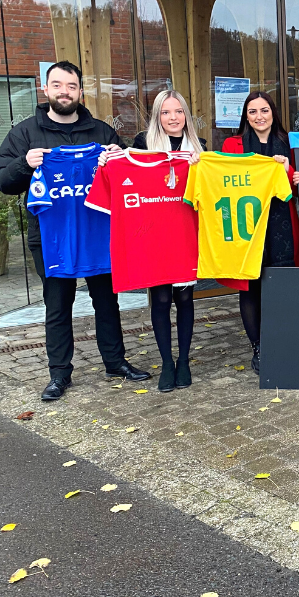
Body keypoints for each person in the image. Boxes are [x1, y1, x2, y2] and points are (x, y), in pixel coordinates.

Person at [0, 61, 149, 401]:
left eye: (71, 86)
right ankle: (59, 374)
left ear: (79, 91)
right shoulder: (25, 133)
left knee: (107, 300)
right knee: (57, 303)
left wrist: (118, 160)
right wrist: (24, 163)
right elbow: (1, 180)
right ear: (46, 90)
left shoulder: (102, 132)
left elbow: (125, 184)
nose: (64, 91)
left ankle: (115, 362)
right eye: (58, 85)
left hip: (98, 232)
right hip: (51, 236)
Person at [222, 92, 299, 373]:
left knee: (283, 286)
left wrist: (290, 172)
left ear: (273, 113)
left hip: (283, 225)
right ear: (245, 116)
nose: (259, 116)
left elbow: (294, 186)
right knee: (251, 286)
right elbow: (225, 181)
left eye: (265, 110)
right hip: (249, 226)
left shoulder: (290, 142)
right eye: (253, 111)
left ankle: (283, 341)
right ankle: (258, 346)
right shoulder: (232, 145)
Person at [132, 90, 205, 392]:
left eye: (178, 111)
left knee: (185, 298)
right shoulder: (142, 145)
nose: (172, 118)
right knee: (160, 299)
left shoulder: (200, 149)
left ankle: (184, 361)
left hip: (185, 234)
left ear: (186, 115)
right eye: (165, 112)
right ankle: (166, 363)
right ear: (157, 117)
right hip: (154, 235)